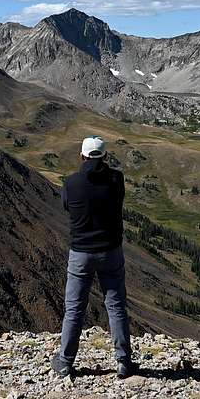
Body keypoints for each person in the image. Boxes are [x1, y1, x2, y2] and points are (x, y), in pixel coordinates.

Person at [50, 136, 136, 379]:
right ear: (104, 157)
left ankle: (65, 361)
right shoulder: (116, 179)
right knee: (116, 305)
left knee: (75, 308)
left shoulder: (71, 183)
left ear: (82, 156)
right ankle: (123, 361)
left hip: (81, 253)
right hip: (111, 251)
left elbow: (68, 206)